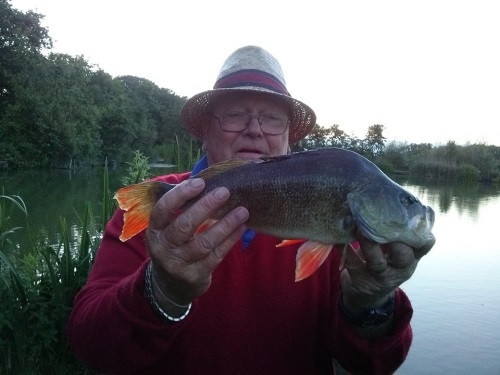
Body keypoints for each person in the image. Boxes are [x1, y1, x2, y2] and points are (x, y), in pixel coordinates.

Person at [67, 45, 434, 374]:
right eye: (236, 115)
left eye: (272, 118)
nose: (255, 131)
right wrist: (161, 289)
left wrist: (371, 305)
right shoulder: (163, 208)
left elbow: (375, 364)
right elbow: (92, 346)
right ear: (205, 131)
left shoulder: (353, 238)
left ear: (289, 135)